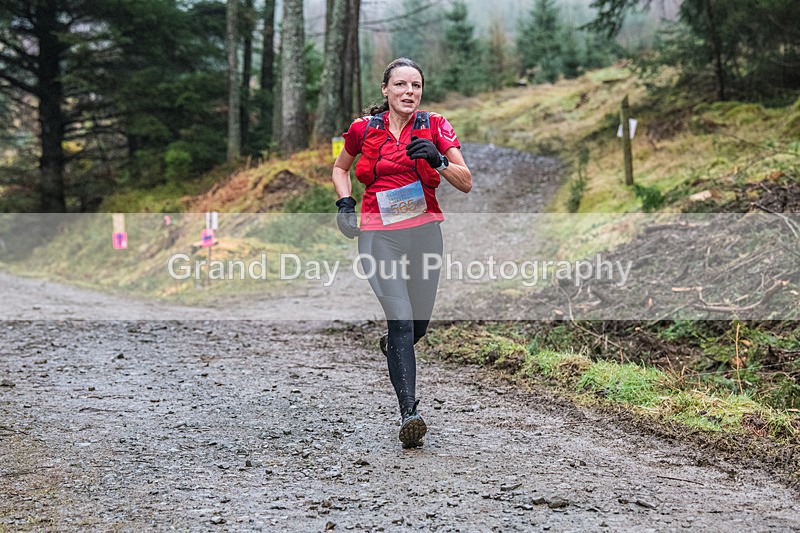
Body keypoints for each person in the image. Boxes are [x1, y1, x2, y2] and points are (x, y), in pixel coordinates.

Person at [331, 57, 472, 448]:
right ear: (386, 90)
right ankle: (409, 413)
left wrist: (439, 159)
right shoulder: (364, 130)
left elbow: (466, 183)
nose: (409, 92)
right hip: (379, 236)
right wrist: (345, 204)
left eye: (415, 85)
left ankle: (396, 346)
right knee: (402, 323)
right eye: (400, 85)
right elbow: (341, 168)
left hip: (424, 234)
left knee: (419, 325)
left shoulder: (436, 125)